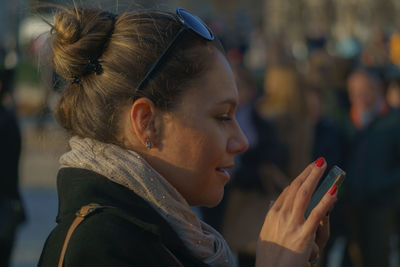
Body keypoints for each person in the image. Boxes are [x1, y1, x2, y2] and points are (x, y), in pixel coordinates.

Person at [38, 6, 338, 267]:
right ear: (147, 122)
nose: (241, 141)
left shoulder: (168, 232)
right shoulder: (95, 248)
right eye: (222, 117)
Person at [342, 69, 400, 267]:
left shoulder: (394, 120)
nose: (359, 96)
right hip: (352, 202)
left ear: (376, 90)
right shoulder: (347, 122)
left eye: (364, 90)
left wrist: (384, 184)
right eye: (354, 91)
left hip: (382, 203)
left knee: (377, 256)